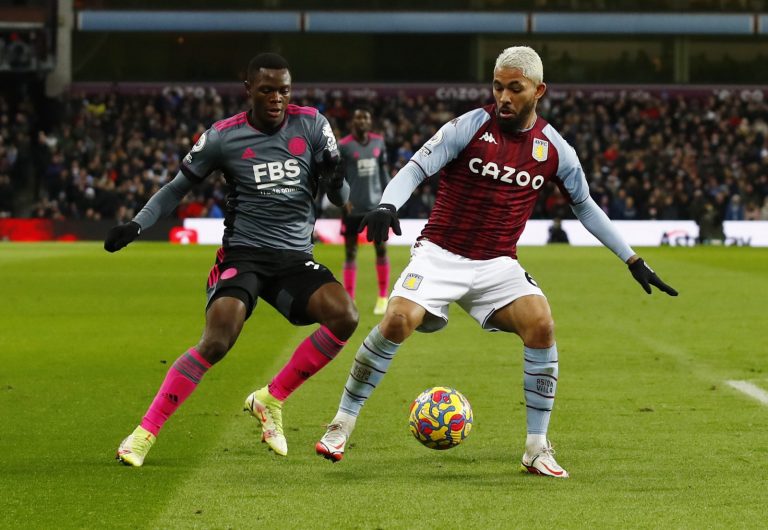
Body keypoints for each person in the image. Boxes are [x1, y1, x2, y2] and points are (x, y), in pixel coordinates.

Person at [315, 46, 678, 478]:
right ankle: (342, 422)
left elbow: (585, 206)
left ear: (539, 91)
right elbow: (416, 168)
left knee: (541, 323)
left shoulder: (554, 149)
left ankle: (536, 448)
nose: (503, 97)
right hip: (439, 254)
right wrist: (389, 205)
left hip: (497, 264)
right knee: (396, 320)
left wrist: (632, 259)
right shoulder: (468, 127)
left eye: (515, 89)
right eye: (497, 87)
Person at [105, 53, 358, 466]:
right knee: (218, 339)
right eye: (267, 90)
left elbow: (337, 187)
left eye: (284, 90)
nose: (277, 98)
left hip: (295, 257)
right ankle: (143, 433)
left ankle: (270, 398)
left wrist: (341, 194)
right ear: (248, 91)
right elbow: (175, 188)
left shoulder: (312, 124)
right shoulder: (223, 137)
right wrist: (136, 225)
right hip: (244, 253)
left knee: (345, 315)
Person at [338, 106, 391, 315]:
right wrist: (343, 200)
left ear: (370, 122)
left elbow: (383, 172)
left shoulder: (379, 142)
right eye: (358, 118)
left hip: (376, 206)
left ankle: (382, 297)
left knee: (381, 249)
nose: (361, 122)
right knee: (351, 252)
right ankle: (350, 299)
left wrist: (389, 199)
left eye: (365, 118)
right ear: (353, 122)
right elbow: (338, 175)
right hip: (353, 207)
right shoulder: (344, 146)